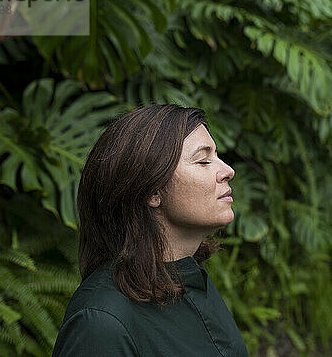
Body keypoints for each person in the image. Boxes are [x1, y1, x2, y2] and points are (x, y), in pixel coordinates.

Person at [52, 104, 248, 356]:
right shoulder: (101, 324)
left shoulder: (188, 279)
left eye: (217, 157)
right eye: (203, 160)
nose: (227, 171)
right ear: (151, 191)